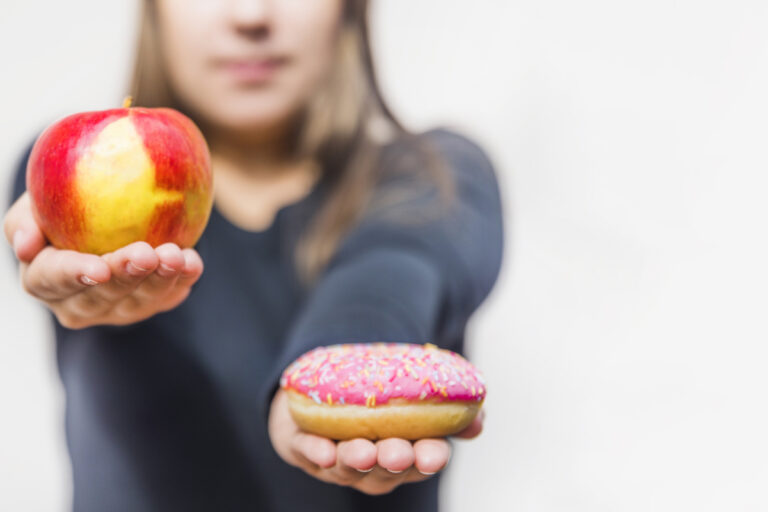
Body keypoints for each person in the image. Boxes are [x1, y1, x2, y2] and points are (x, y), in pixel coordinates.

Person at [3, 1, 503, 510]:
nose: (250, 15)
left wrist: (325, 383)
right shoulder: (61, 175)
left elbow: (391, 274)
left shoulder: (439, 178)